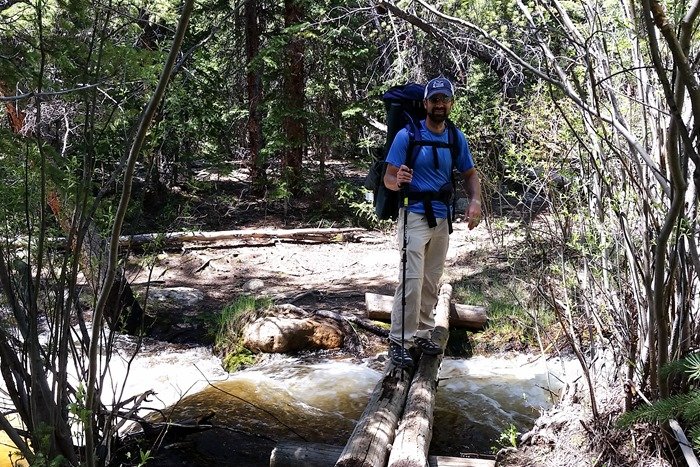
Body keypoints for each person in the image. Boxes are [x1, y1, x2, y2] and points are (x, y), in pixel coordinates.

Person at [383, 76, 482, 367]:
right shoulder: (407, 136)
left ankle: (424, 332)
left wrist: (475, 201)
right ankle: (400, 340)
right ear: (425, 104)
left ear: (450, 103)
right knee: (411, 280)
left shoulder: (455, 137)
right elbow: (389, 177)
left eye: (444, 99)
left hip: (442, 219)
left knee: (430, 279)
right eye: (434, 99)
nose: (439, 104)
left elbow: (470, 174)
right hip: (413, 214)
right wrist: (396, 180)